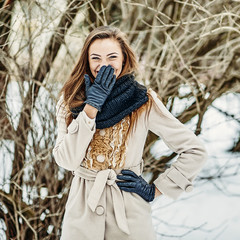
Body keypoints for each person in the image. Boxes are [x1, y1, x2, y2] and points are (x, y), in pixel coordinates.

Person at [53, 25, 207, 240]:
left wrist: (156, 189)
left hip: (129, 215)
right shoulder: (70, 100)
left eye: (112, 57)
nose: (103, 65)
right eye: (95, 58)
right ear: (86, 61)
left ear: (124, 59)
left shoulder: (143, 100)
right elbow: (66, 161)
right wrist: (90, 108)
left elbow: (194, 150)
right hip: (81, 215)